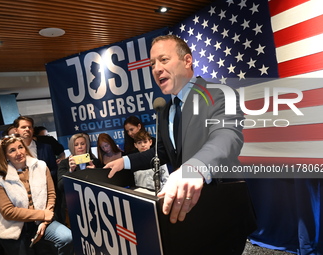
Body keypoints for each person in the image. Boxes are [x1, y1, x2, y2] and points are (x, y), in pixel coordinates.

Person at [105, 35, 256, 254]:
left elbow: (227, 137)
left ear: (187, 61)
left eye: (164, 60)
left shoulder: (219, 94)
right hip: (188, 214)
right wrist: (124, 161)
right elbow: (162, 153)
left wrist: (195, 167)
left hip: (223, 211)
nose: (156, 69)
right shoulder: (166, 111)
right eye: (152, 64)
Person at [0, 134, 73, 255]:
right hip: (14, 227)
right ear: (6, 156)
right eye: (12, 150)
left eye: (20, 147)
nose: (19, 152)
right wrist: (42, 215)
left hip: (41, 221)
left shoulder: (41, 166)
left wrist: (45, 222)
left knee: (67, 237)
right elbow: (8, 211)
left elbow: (51, 194)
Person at [56, 133, 102, 224]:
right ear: (72, 147)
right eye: (76, 145)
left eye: (82, 144)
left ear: (87, 145)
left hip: (93, 204)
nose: (80, 147)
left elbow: (104, 185)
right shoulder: (64, 163)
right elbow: (60, 186)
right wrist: (70, 171)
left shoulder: (96, 162)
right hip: (72, 205)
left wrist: (95, 172)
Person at [13, 116, 58, 185]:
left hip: (45, 187)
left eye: (29, 127)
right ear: (16, 130)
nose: (27, 129)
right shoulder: (10, 151)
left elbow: (54, 169)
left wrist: (44, 180)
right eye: (23, 127)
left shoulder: (46, 148)